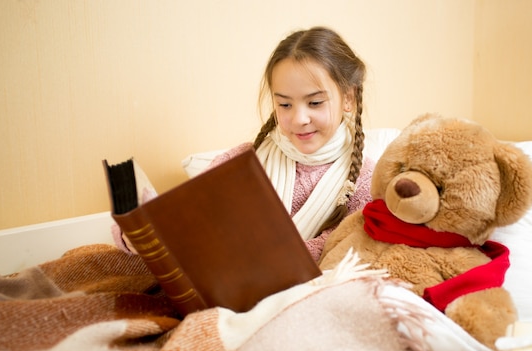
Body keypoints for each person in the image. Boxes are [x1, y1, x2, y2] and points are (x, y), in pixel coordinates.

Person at [114, 26, 376, 262]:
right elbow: (185, 213)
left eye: (315, 103)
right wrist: (136, 235)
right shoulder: (243, 162)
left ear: (348, 98)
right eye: (285, 104)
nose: (299, 119)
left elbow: (340, 248)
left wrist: (251, 255)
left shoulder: (368, 181)